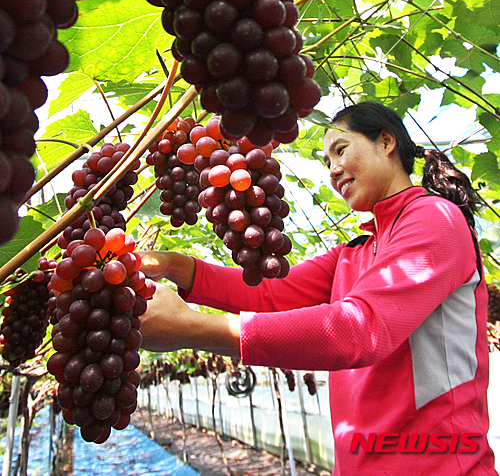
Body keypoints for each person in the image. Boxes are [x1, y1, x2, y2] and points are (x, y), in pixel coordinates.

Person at [139, 101, 498, 475]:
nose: (334, 169)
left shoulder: (433, 218)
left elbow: (360, 329)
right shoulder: (356, 250)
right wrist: (174, 266)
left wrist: (191, 329)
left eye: (340, 150)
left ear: (386, 142)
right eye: (327, 161)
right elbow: (269, 294)